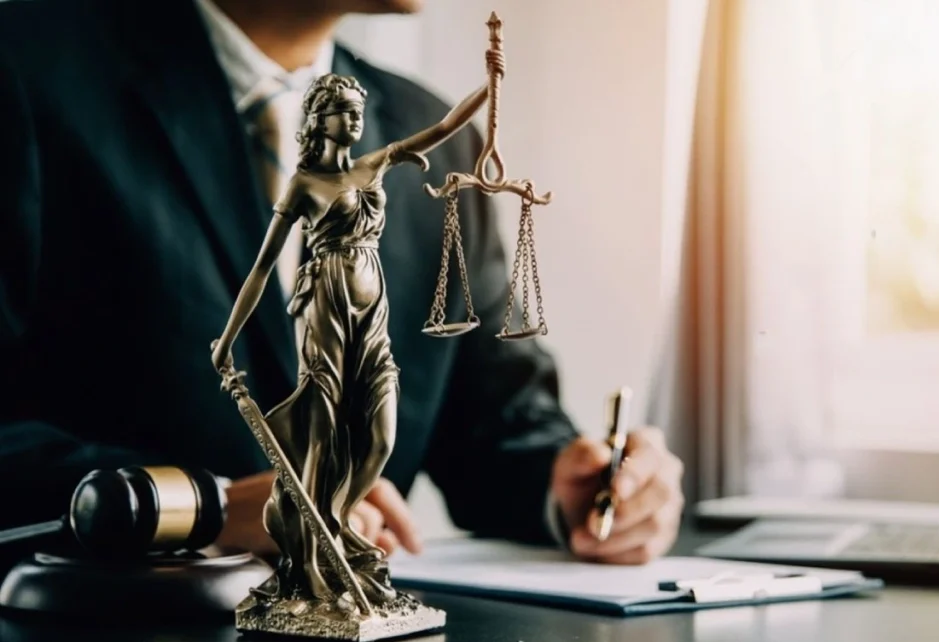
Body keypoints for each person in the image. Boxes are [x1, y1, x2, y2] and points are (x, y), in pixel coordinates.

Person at [0, 0, 685, 568]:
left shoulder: (436, 144)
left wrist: (575, 489)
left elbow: (493, 428)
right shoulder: (27, 73)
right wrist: (202, 505)